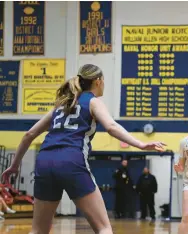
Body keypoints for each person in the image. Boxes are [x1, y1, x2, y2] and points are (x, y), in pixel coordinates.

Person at [1, 64, 166, 234]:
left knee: (38, 230)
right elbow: (110, 126)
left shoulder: (61, 104)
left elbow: (29, 134)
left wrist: (15, 165)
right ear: (98, 81)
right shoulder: (93, 101)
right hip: (71, 160)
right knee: (103, 228)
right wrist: (140, 144)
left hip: (44, 161)